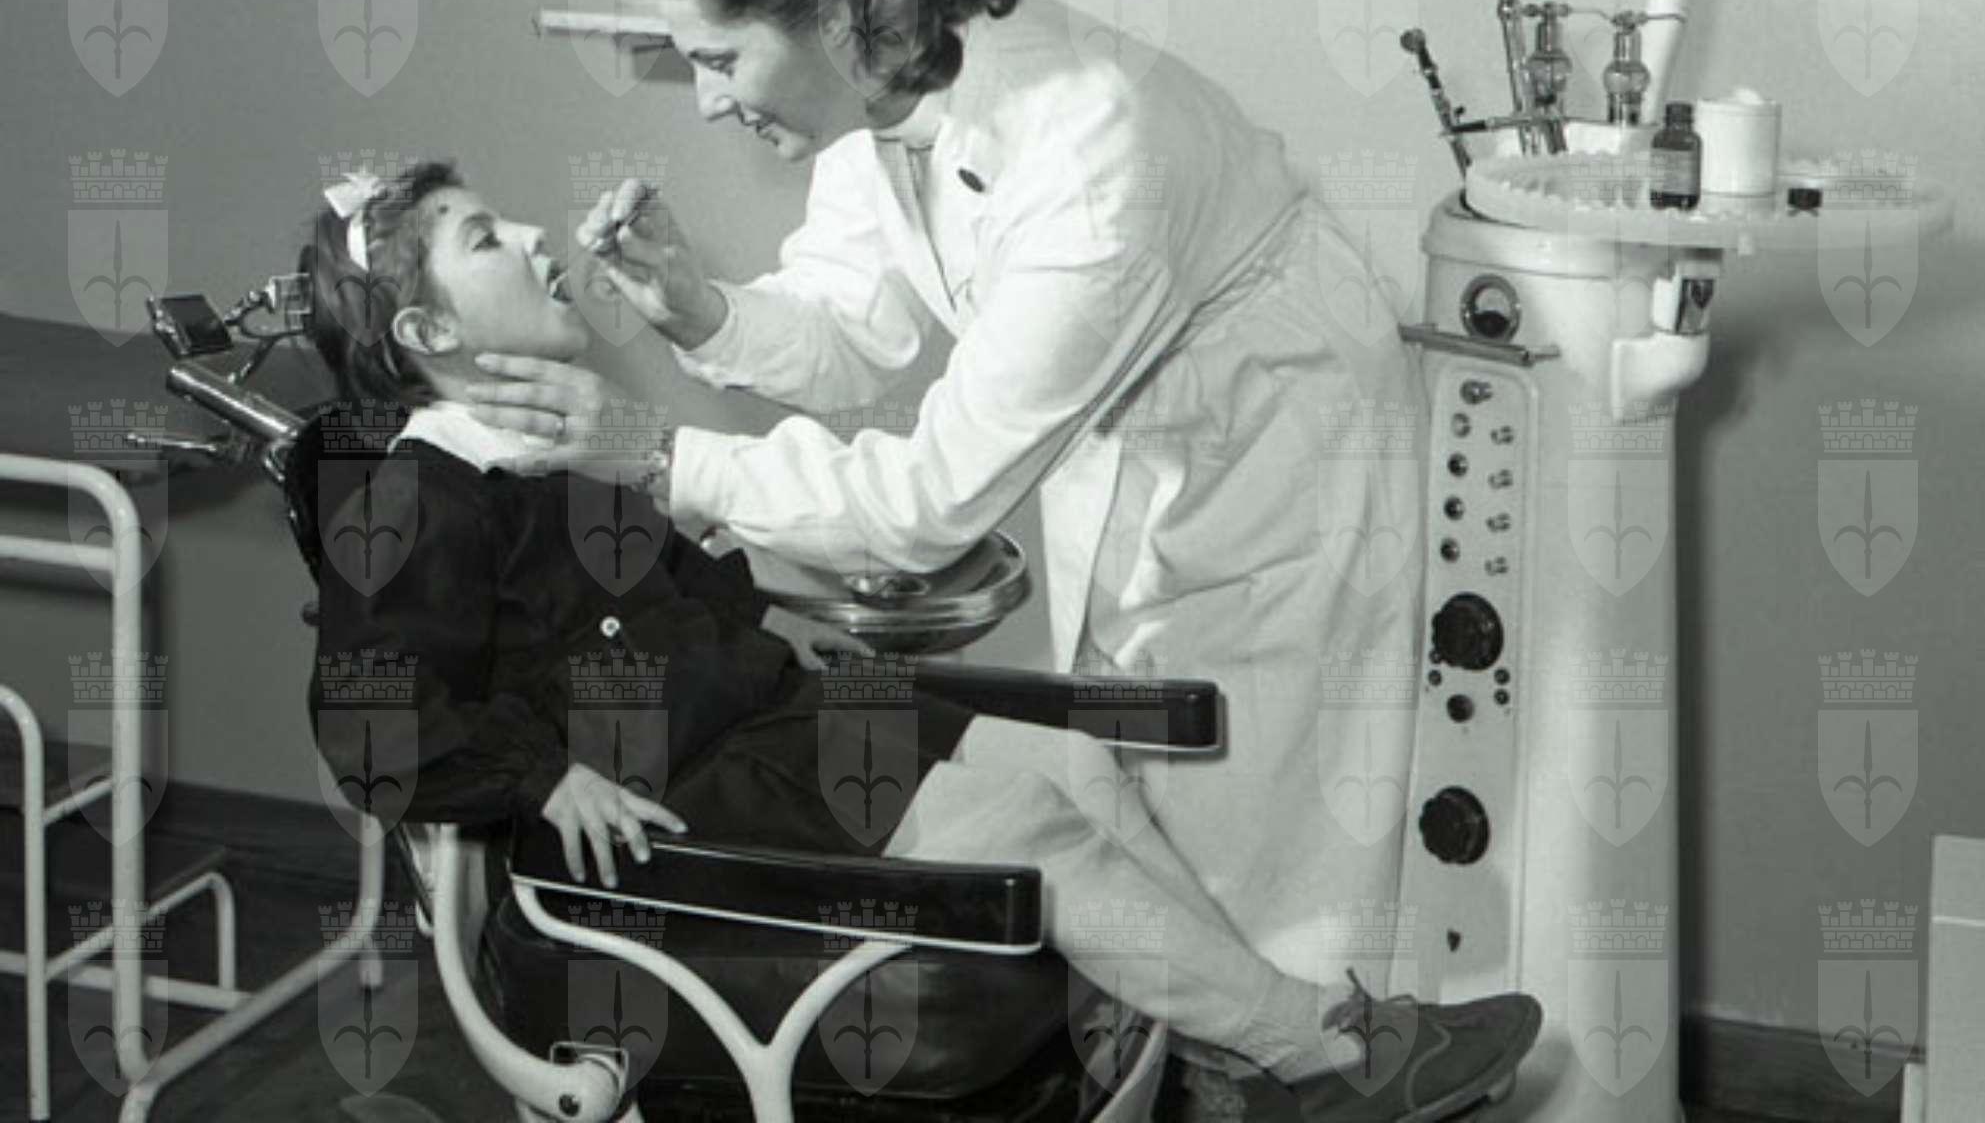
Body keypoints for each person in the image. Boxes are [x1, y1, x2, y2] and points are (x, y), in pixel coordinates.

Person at [300, 159, 1546, 1119]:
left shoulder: (558, 445)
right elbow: (367, 714)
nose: (531, 235)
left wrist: (785, 624)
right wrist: (542, 778)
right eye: (484, 236)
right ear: (428, 336)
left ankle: (1243, 1061)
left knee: (1075, 759)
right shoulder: (415, 492)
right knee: (1026, 827)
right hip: (670, 807)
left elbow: (682, 589)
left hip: (761, 729)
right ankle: (1319, 1051)